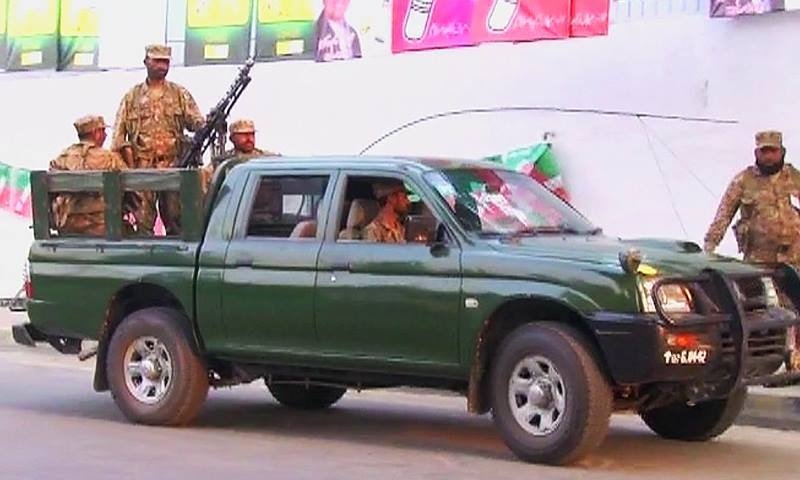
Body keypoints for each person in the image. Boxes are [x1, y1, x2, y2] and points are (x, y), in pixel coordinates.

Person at [703, 130, 800, 378]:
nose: (768, 156)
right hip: (758, 260)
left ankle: (795, 361)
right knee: (761, 311)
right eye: (763, 151)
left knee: (795, 308)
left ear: (782, 151)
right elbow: (724, 214)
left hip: (794, 257)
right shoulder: (744, 181)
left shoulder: (794, 178)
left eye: (773, 151)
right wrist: (710, 247)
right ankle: (761, 365)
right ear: (756, 152)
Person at [111, 44, 205, 235]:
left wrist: (206, 124)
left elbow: (195, 121)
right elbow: (118, 138)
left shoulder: (179, 94)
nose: (162, 66)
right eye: (157, 61)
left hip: (174, 166)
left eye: (166, 62)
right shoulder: (132, 97)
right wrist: (125, 171)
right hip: (142, 170)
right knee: (142, 225)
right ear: (146, 62)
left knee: (177, 221)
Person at [49, 115, 129, 235]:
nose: (106, 135)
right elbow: (130, 186)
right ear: (95, 133)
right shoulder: (110, 158)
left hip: (68, 226)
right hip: (103, 227)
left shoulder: (61, 159)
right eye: (103, 131)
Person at [202, 119, 280, 194]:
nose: (249, 138)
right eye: (244, 135)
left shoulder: (267, 158)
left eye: (251, 134)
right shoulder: (224, 162)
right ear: (232, 138)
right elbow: (205, 182)